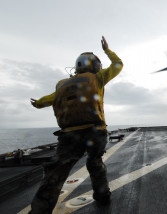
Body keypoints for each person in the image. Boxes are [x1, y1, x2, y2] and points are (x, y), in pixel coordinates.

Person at [29, 36, 123, 213]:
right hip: (95, 131)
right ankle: (102, 196)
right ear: (95, 66)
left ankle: (39, 211)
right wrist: (107, 50)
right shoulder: (98, 78)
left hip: (69, 135)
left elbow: (49, 99)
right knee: (95, 162)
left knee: (56, 174)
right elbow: (118, 65)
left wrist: (38, 102)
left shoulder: (62, 85)